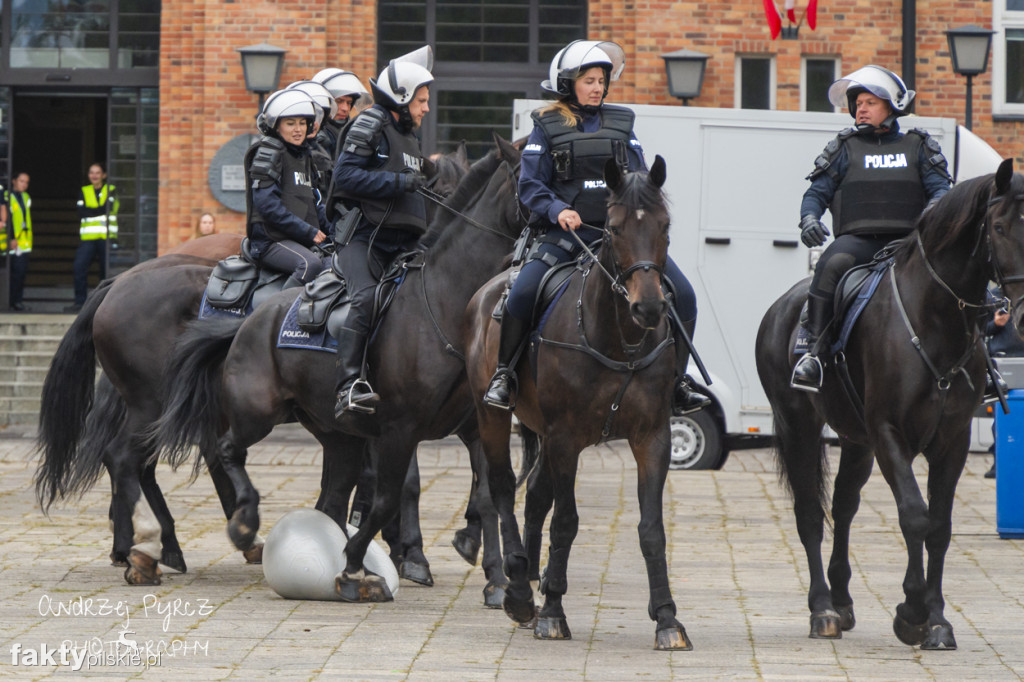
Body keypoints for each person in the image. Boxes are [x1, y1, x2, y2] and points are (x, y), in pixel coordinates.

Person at [481, 39, 711, 417]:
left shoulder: (623, 124)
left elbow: (639, 180)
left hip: (620, 241)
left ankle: (678, 382)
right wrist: (557, 210)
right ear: (568, 83)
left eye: (601, 80)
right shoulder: (546, 125)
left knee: (683, 294)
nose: (597, 87)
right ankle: (504, 375)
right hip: (565, 236)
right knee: (521, 293)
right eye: (589, 80)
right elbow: (530, 186)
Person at [790, 65, 952, 392]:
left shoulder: (919, 145)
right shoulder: (843, 147)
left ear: (891, 105)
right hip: (858, 242)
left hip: (911, 244)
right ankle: (814, 354)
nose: (860, 109)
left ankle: (982, 363)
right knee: (830, 264)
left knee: (958, 273)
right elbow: (816, 193)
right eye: (858, 103)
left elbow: (941, 191)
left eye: (870, 102)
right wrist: (809, 218)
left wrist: (934, 211)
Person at [328, 46, 433, 418]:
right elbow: (345, 176)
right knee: (366, 299)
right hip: (364, 240)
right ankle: (348, 386)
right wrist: (398, 182)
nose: (425, 108)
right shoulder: (369, 123)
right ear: (402, 99)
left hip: (403, 243)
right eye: (421, 101)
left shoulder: (407, 135)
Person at [245, 88, 330, 289]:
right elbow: (267, 205)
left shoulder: (305, 157)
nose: (298, 129)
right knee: (309, 265)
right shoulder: (269, 153)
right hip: (270, 241)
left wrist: (337, 233)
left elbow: (313, 205)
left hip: (298, 239)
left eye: (302, 123)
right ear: (276, 126)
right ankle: (277, 316)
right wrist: (307, 231)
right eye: (290, 123)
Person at [67, 163, 119, 313]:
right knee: (79, 267)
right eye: (91, 173)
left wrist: (92, 210)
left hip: (106, 237)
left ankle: (106, 305)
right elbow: (81, 213)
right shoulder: (84, 190)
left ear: (104, 175)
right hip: (88, 238)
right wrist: (98, 210)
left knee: (106, 272)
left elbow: (106, 209)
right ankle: (80, 303)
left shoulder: (111, 190)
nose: (94, 175)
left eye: (98, 173)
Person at [286, 79, 338, 198]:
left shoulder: (322, 150)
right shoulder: (279, 153)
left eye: (319, 116)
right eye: (309, 117)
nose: (315, 123)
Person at [312, 68, 369, 161]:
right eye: (339, 101)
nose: (345, 108)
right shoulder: (314, 134)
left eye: (349, 103)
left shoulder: (351, 129)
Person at [5, 172, 32, 311]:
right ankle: (9, 303)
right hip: (11, 242)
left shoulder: (26, 197)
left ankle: (17, 301)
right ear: (14, 181)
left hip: (24, 243)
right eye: (21, 181)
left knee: (20, 274)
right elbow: (7, 219)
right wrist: (10, 238)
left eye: (26, 182)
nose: (24, 184)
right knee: (11, 274)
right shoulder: (6, 197)